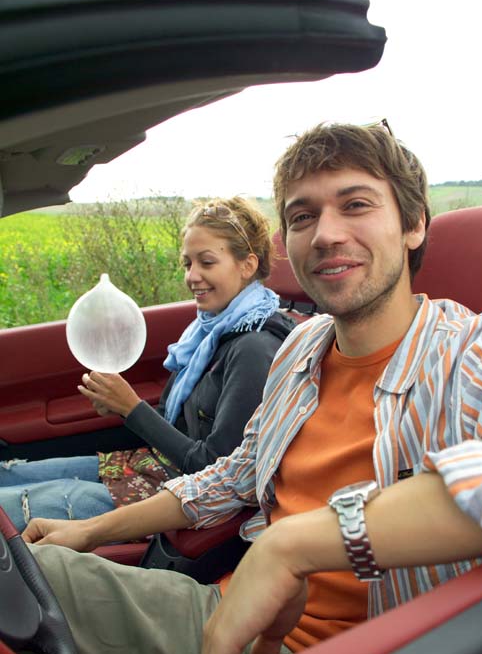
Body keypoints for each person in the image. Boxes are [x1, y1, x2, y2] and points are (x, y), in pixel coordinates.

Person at [2, 122, 482, 654]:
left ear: (414, 224)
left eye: (355, 204)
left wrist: (297, 543)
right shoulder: (301, 349)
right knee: (27, 576)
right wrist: (91, 530)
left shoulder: (480, 350)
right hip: (223, 612)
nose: (327, 233)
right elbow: (231, 474)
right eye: (303, 216)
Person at [0, 196, 294, 531]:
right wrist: (120, 408)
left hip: (172, 496)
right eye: (187, 264)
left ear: (247, 265)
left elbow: (216, 473)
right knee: (9, 474)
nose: (193, 276)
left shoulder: (254, 348)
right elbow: (177, 425)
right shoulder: (206, 333)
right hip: (146, 465)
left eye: (207, 262)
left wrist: (132, 408)